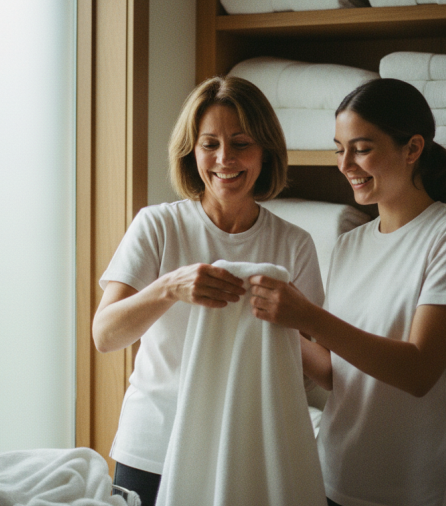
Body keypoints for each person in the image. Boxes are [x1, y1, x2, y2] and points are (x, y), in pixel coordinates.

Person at [248, 78, 446, 506]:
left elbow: (418, 372)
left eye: (361, 149)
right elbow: (336, 373)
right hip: (336, 477)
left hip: (418, 487)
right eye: (338, 149)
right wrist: (269, 319)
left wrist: (307, 316)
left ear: (412, 148)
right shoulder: (349, 244)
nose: (346, 164)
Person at [91, 75, 324, 506]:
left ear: (265, 150)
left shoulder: (294, 245)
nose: (224, 159)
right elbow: (105, 335)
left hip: (246, 448)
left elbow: (312, 371)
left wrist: (283, 319)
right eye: (209, 144)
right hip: (154, 447)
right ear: (192, 151)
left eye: (241, 143)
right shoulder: (158, 225)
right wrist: (169, 287)